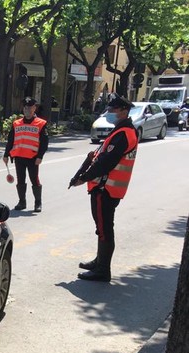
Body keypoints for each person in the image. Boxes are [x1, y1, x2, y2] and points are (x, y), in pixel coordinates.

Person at [68, 94, 138, 282]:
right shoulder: (122, 130)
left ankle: (102, 270)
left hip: (106, 188)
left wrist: (84, 178)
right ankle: (100, 261)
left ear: (124, 110)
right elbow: (100, 156)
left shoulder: (124, 133)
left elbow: (106, 162)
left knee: (105, 228)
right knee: (102, 227)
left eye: (113, 110)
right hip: (107, 187)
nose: (110, 113)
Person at [3, 96, 48, 212]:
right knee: (20, 180)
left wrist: (40, 156)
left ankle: (38, 203)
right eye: (25, 108)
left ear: (34, 108)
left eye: (30, 108)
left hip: (33, 158)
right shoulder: (16, 123)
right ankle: (22, 202)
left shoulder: (41, 124)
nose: (27, 110)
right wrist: (6, 154)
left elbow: (44, 142)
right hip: (19, 157)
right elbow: (10, 140)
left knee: (34, 180)